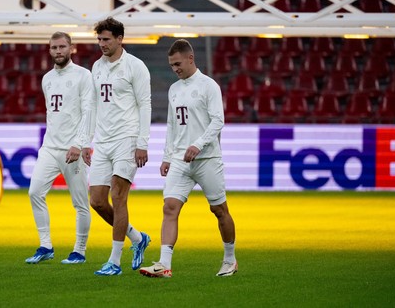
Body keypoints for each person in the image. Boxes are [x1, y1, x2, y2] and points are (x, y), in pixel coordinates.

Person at [139, 39, 237, 278]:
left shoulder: (208, 86)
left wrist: (198, 144)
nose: (175, 69)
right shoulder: (174, 89)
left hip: (207, 159)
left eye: (178, 64)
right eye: (172, 65)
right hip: (180, 161)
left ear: (191, 58)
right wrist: (167, 157)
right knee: (169, 207)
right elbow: (172, 125)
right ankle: (164, 264)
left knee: (219, 210)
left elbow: (218, 121)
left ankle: (230, 259)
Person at [89, 17, 152, 276]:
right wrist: (85, 141)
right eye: (99, 39)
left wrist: (142, 143)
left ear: (119, 39)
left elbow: (145, 104)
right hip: (102, 141)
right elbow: (92, 105)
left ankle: (114, 262)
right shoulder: (96, 66)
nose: (102, 44)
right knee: (97, 201)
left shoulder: (136, 67)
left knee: (118, 196)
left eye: (106, 39)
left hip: (127, 138)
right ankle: (137, 238)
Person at [25, 32, 94, 265]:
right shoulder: (47, 79)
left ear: (71, 48)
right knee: (34, 192)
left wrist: (80, 143)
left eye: (62, 46)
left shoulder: (84, 76)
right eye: (54, 47)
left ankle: (79, 251)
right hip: (50, 147)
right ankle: (45, 246)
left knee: (80, 203)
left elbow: (88, 112)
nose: (58, 51)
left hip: (72, 149)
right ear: (49, 50)